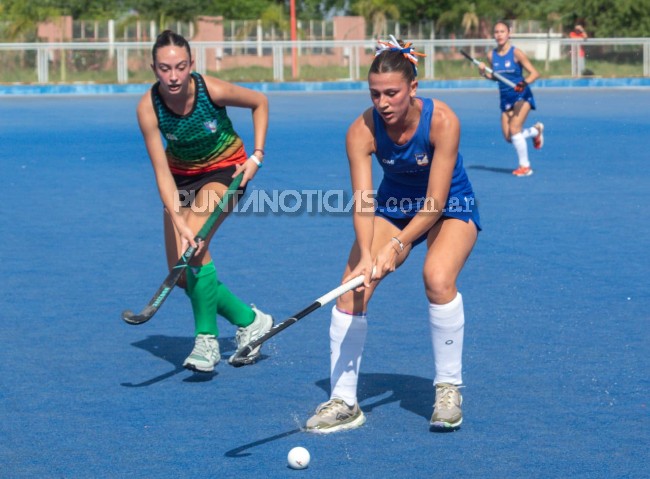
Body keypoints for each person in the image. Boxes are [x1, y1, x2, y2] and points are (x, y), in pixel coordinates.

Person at [304, 37, 481, 433]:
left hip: (449, 203)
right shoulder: (361, 131)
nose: (382, 103)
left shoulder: (443, 121)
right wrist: (369, 253)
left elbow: (435, 203)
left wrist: (398, 247)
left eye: (391, 93)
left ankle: (448, 388)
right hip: (394, 206)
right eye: (374, 94)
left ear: (413, 88)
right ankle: (344, 400)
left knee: (436, 278)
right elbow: (364, 202)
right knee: (353, 286)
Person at [136, 30, 273, 372]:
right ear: (153, 68)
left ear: (191, 65)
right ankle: (250, 321)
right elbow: (161, 172)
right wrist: (176, 217)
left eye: (180, 67)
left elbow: (260, 102)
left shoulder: (211, 90)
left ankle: (206, 340)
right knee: (181, 273)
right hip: (181, 178)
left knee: (193, 247)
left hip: (225, 171)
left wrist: (257, 155)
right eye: (165, 68)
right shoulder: (148, 108)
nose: (173, 76)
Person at [477, 21, 544, 177]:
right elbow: (496, 77)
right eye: (496, 32)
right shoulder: (491, 55)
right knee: (510, 137)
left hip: (522, 96)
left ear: (509, 34)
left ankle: (525, 166)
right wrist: (482, 73)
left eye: (502, 31)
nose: (499, 34)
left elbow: (535, 73)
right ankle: (536, 131)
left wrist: (523, 83)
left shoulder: (516, 53)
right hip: (505, 99)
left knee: (515, 130)